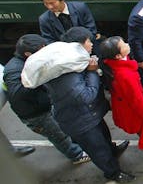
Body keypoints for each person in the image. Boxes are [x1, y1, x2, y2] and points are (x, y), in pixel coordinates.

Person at [45, 27, 134, 183]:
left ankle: (112, 151)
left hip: (90, 114)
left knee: (104, 137)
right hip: (80, 121)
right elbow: (85, 96)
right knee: (97, 149)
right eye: (88, 41)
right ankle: (113, 173)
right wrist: (92, 71)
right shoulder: (67, 71)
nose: (92, 44)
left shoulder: (76, 61)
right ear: (79, 45)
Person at [3, 34, 90, 164]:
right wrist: (39, 78)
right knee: (58, 135)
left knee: (61, 129)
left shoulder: (28, 62)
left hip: (44, 106)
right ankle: (76, 155)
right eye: (41, 50)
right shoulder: (14, 70)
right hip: (35, 114)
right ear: (28, 53)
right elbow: (17, 93)